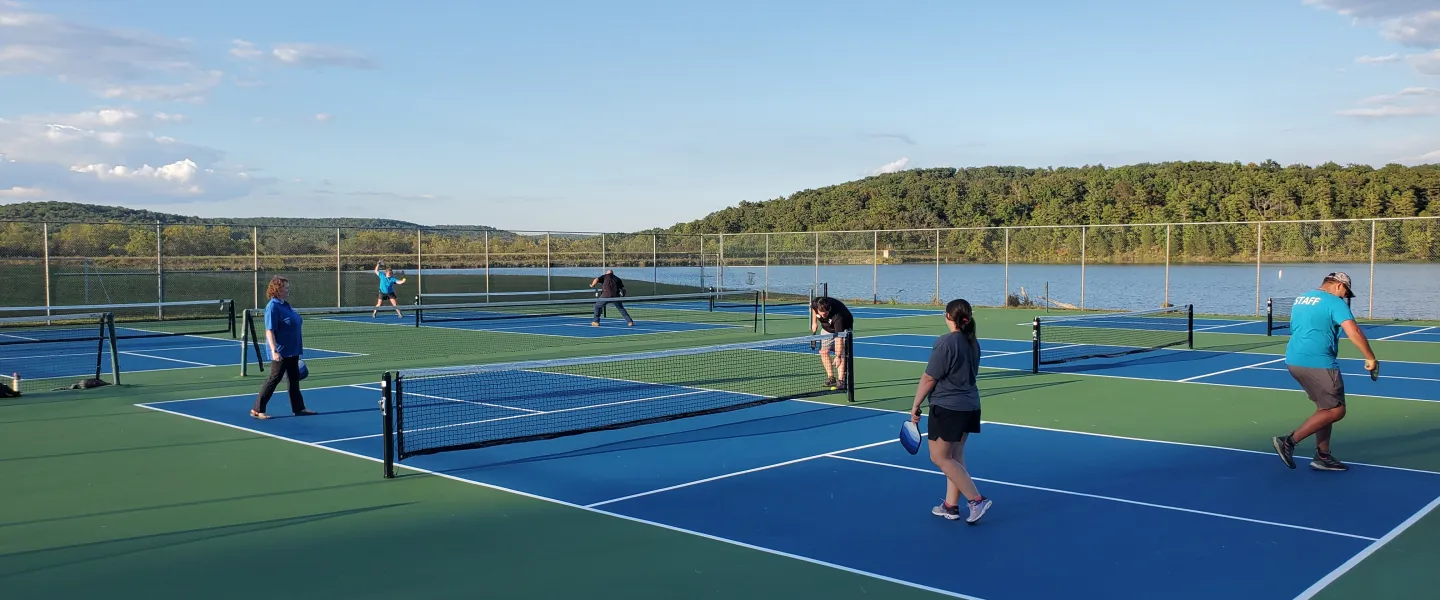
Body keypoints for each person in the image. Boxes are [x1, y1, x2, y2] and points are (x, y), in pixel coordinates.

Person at [1272, 272, 1378, 472]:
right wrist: (1370, 357)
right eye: (1346, 292)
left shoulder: (1301, 298)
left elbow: (1295, 327)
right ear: (1339, 285)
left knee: (1324, 408)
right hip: (1319, 362)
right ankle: (1288, 442)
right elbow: (1353, 331)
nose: (1345, 297)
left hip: (1294, 359)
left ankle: (1323, 455)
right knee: (1336, 410)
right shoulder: (1335, 303)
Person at [911, 298, 991, 523]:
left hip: (948, 408)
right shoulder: (972, 342)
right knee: (955, 455)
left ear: (948, 317)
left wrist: (915, 404)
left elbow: (929, 378)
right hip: (970, 406)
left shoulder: (946, 342)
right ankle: (950, 506)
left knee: (939, 457)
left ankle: (976, 500)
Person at [251, 276, 317, 419]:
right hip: (280, 350)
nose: (288, 290)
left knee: (293, 379)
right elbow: (269, 330)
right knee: (274, 378)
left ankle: (299, 408)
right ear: (278, 289)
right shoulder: (272, 306)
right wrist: (274, 351)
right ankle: (257, 409)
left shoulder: (285, 304)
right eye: (285, 287)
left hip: (292, 349)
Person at [810, 295, 853, 389]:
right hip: (827, 329)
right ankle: (831, 377)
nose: (823, 316)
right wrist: (814, 322)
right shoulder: (816, 304)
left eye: (825, 314)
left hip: (844, 327)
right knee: (823, 351)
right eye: (821, 314)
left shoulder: (838, 317)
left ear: (829, 309)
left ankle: (841, 381)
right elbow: (813, 308)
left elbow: (839, 339)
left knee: (841, 354)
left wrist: (837, 356)